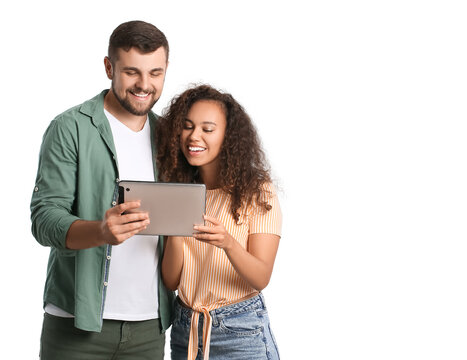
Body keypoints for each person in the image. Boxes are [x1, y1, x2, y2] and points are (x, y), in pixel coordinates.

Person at [30, 20, 175, 359]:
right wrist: (100, 230)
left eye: (155, 73)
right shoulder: (70, 128)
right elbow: (44, 219)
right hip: (75, 325)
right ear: (109, 67)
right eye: (132, 72)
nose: (144, 85)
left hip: (150, 326)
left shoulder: (170, 136)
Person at [157, 84, 282, 360]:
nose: (194, 136)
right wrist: (175, 231)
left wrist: (228, 243)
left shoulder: (257, 192)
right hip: (185, 329)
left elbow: (261, 277)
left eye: (207, 129)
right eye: (187, 126)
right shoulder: (178, 191)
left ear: (229, 137)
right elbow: (171, 280)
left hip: (240, 332)